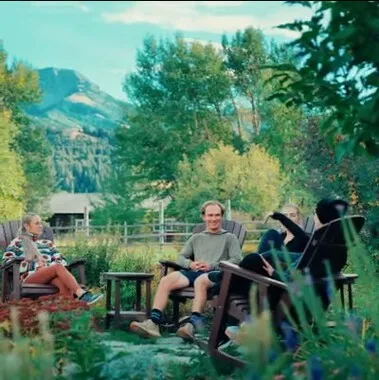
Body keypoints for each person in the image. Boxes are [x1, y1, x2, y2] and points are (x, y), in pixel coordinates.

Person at [129, 200, 242, 340]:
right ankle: (153, 323)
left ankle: (191, 326)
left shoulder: (230, 238)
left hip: (216, 275)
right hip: (195, 272)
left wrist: (212, 265)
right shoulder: (196, 238)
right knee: (166, 280)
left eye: (217, 215)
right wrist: (191, 264)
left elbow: (237, 260)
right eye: (210, 215)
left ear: (222, 216)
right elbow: (181, 258)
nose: (213, 219)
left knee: (200, 281)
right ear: (204, 217)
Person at [2, 213, 103, 305]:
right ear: (27, 226)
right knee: (57, 267)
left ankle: (63, 314)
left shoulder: (47, 243)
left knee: (62, 284)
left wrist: (48, 269)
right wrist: (31, 264)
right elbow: (7, 261)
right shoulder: (18, 242)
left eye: (40, 223)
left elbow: (61, 260)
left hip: (50, 275)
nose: (40, 226)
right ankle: (82, 294)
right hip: (30, 277)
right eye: (37, 223)